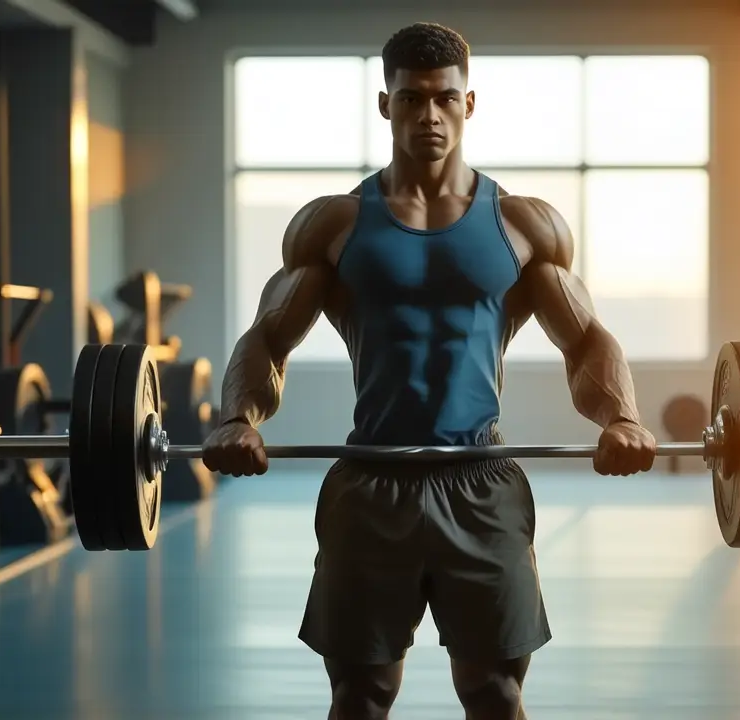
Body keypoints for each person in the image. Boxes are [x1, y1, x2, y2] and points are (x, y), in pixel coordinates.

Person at [201, 22, 656, 720]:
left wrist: (622, 417)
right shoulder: (333, 224)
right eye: (411, 99)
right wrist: (239, 417)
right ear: (386, 104)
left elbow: (587, 339)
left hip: (481, 479)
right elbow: (268, 336)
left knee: (494, 693)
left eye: (444, 98)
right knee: (361, 696)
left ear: (468, 104)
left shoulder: (524, 225)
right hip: (371, 479)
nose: (429, 115)